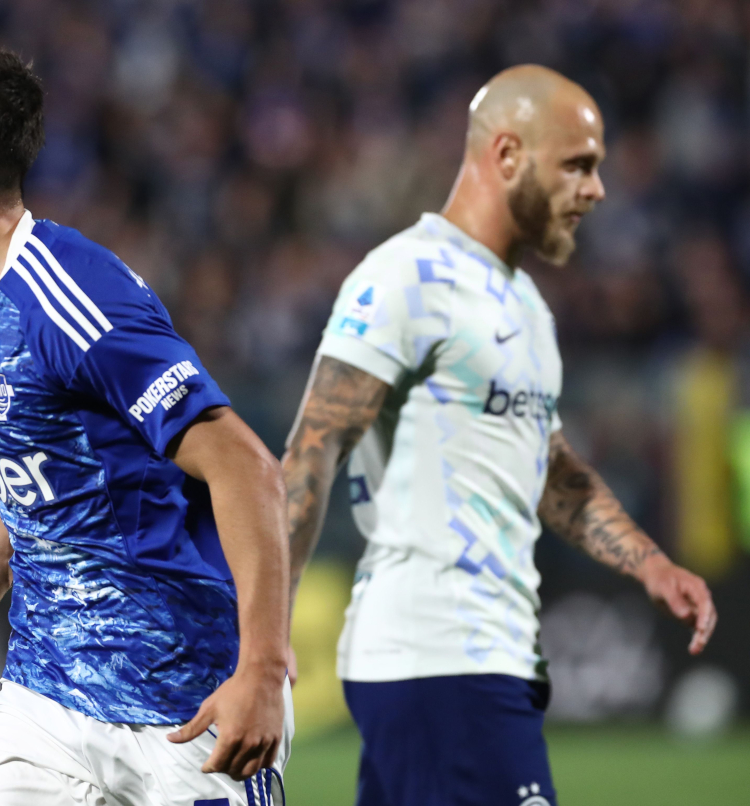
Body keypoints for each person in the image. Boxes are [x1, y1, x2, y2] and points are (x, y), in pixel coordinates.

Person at [0, 41, 292, 805]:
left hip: (183, 702)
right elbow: (0, 493)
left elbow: (245, 467)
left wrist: (262, 670)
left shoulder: (72, 298)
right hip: (44, 705)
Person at [282, 64, 717, 806]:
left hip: (482, 658)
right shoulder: (408, 276)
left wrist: (649, 563)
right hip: (438, 653)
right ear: (508, 154)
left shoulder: (526, 305)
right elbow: (311, 449)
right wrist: (265, 638)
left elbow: (549, 466)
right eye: (578, 164)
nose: (596, 189)